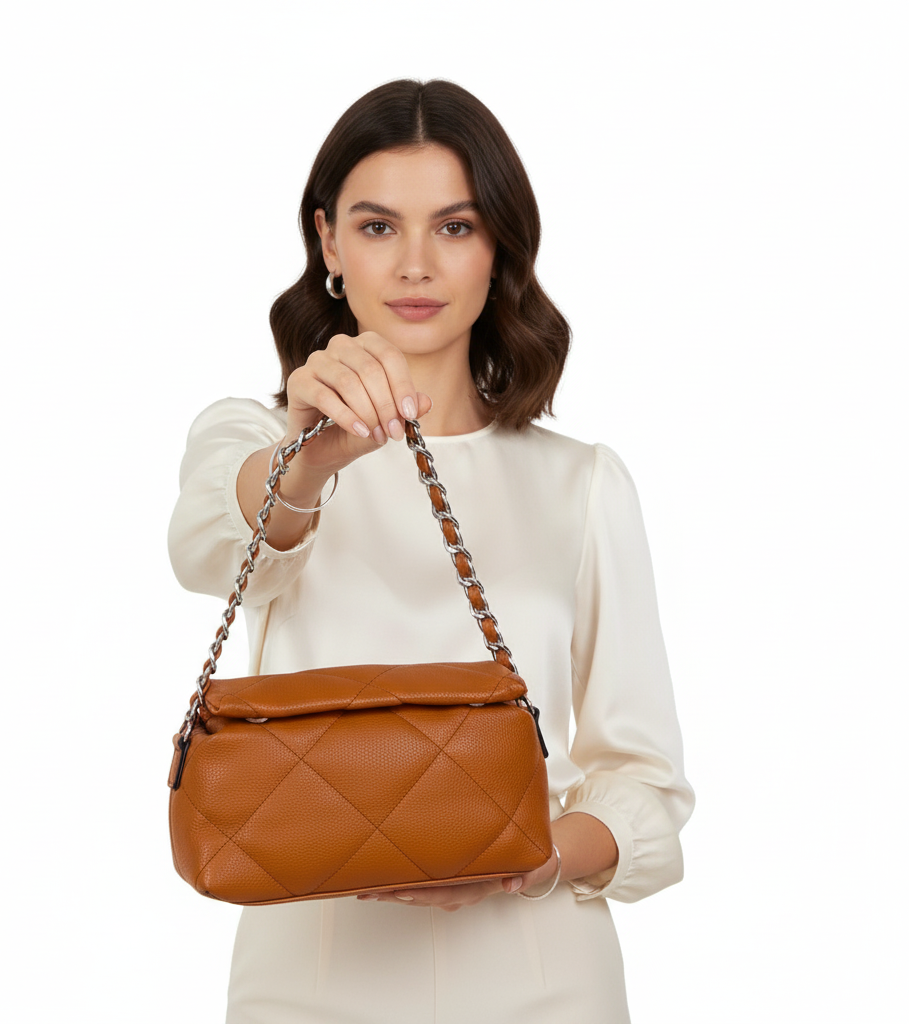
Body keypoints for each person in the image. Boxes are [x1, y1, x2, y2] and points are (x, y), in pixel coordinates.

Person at [168, 78, 694, 1024]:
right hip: (308, 981)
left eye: (453, 227)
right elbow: (216, 551)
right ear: (327, 242)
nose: (415, 264)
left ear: (499, 248)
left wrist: (527, 862)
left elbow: (646, 788)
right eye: (378, 228)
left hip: (541, 980)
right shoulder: (256, 439)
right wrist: (315, 449)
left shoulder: (582, 482)